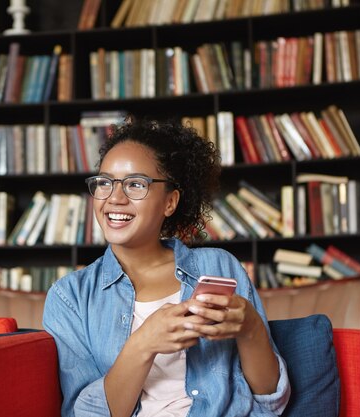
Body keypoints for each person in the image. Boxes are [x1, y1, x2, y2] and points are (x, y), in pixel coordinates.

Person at [42, 118, 290, 417]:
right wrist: (143, 344)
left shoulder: (219, 265)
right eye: (105, 182)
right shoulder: (71, 297)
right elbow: (82, 414)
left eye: (135, 184)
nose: (114, 198)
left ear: (170, 202)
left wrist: (251, 328)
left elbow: (271, 402)